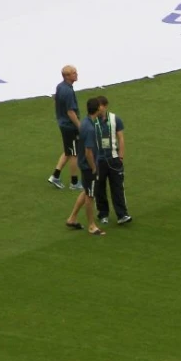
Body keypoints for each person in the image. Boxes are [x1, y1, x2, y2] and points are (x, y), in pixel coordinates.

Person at [65, 97, 106, 235]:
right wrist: (94, 167)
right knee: (90, 195)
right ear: (98, 109)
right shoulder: (89, 128)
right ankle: (92, 225)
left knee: (86, 191)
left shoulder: (85, 123)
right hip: (89, 166)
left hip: (84, 164)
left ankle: (72, 218)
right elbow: (88, 152)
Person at [95, 95, 132, 225]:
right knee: (99, 188)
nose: (97, 110)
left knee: (117, 187)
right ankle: (103, 214)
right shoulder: (92, 121)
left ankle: (122, 214)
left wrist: (120, 157)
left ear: (105, 106)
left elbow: (121, 138)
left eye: (99, 107)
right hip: (98, 160)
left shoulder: (115, 119)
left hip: (114, 158)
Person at [48, 65, 82, 190]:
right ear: (67, 76)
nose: (77, 74)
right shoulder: (67, 91)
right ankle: (74, 183)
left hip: (63, 123)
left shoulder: (60, 86)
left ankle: (55, 176)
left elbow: (56, 100)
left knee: (68, 152)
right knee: (74, 153)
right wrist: (79, 126)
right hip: (69, 126)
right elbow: (70, 112)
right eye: (74, 73)